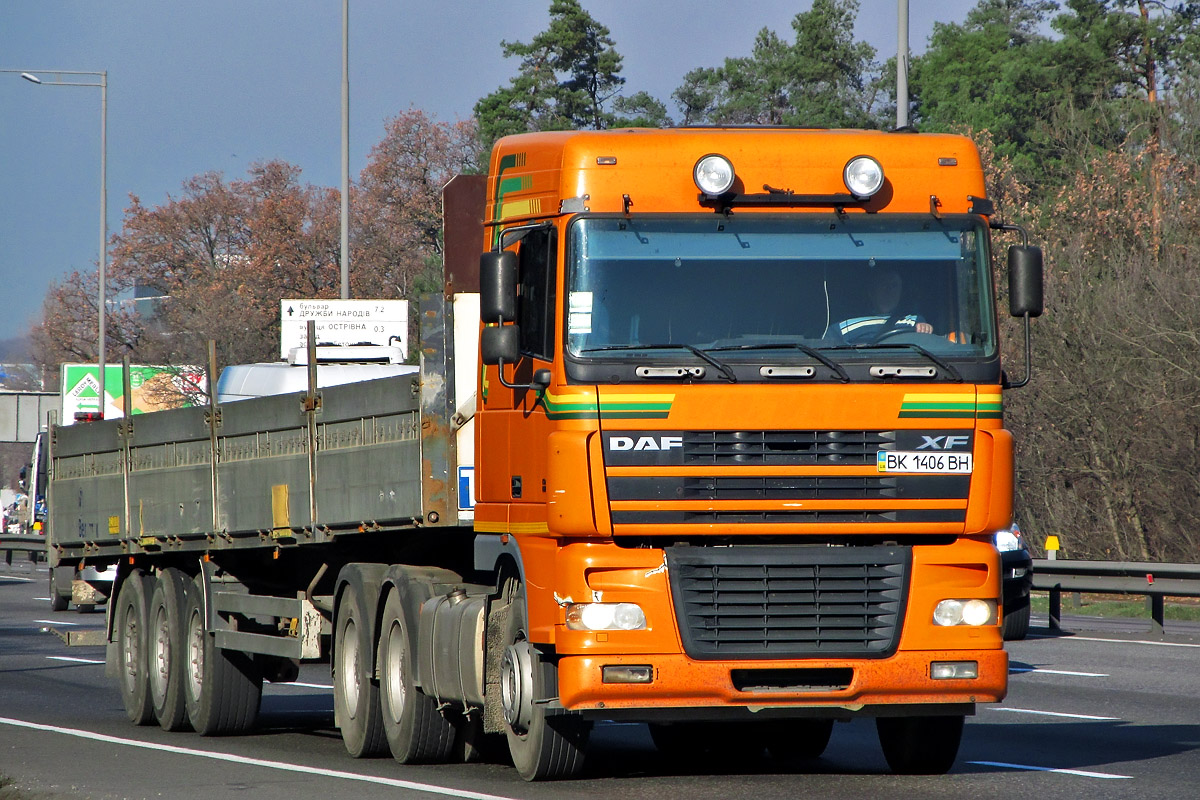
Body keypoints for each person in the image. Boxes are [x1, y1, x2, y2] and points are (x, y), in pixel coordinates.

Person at [833, 268, 932, 344]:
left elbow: (926, 347)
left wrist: (925, 329)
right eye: (884, 284)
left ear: (901, 292)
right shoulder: (844, 325)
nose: (889, 290)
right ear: (871, 292)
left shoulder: (914, 320)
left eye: (894, 285)